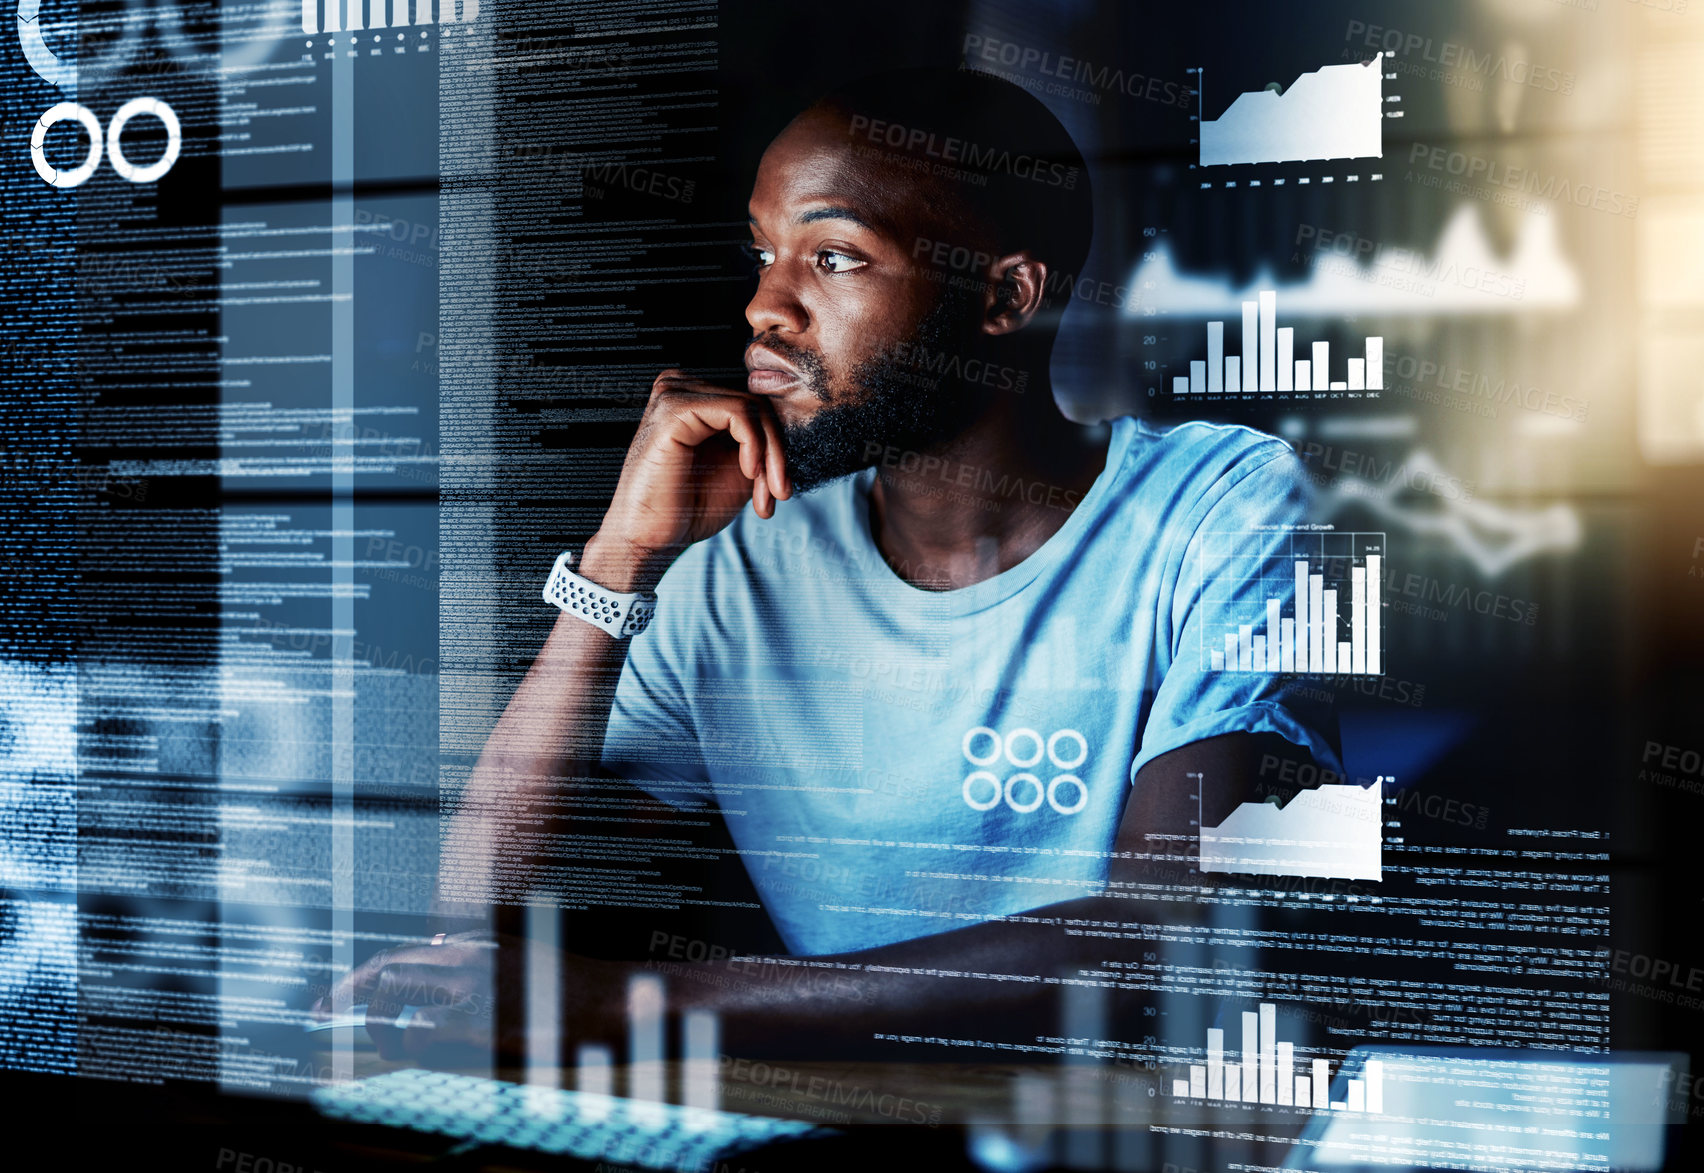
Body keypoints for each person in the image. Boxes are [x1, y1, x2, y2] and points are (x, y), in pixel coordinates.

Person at [322, 66, 1340, 1063]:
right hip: (854, 1130)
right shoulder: (737, 565)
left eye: (834, 258)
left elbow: (1163, 944)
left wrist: (640, 1002)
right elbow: (479, 926)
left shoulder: (1228, 503)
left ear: (1006, 298)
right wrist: (618, 560)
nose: (766, 306)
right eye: (762, 252)